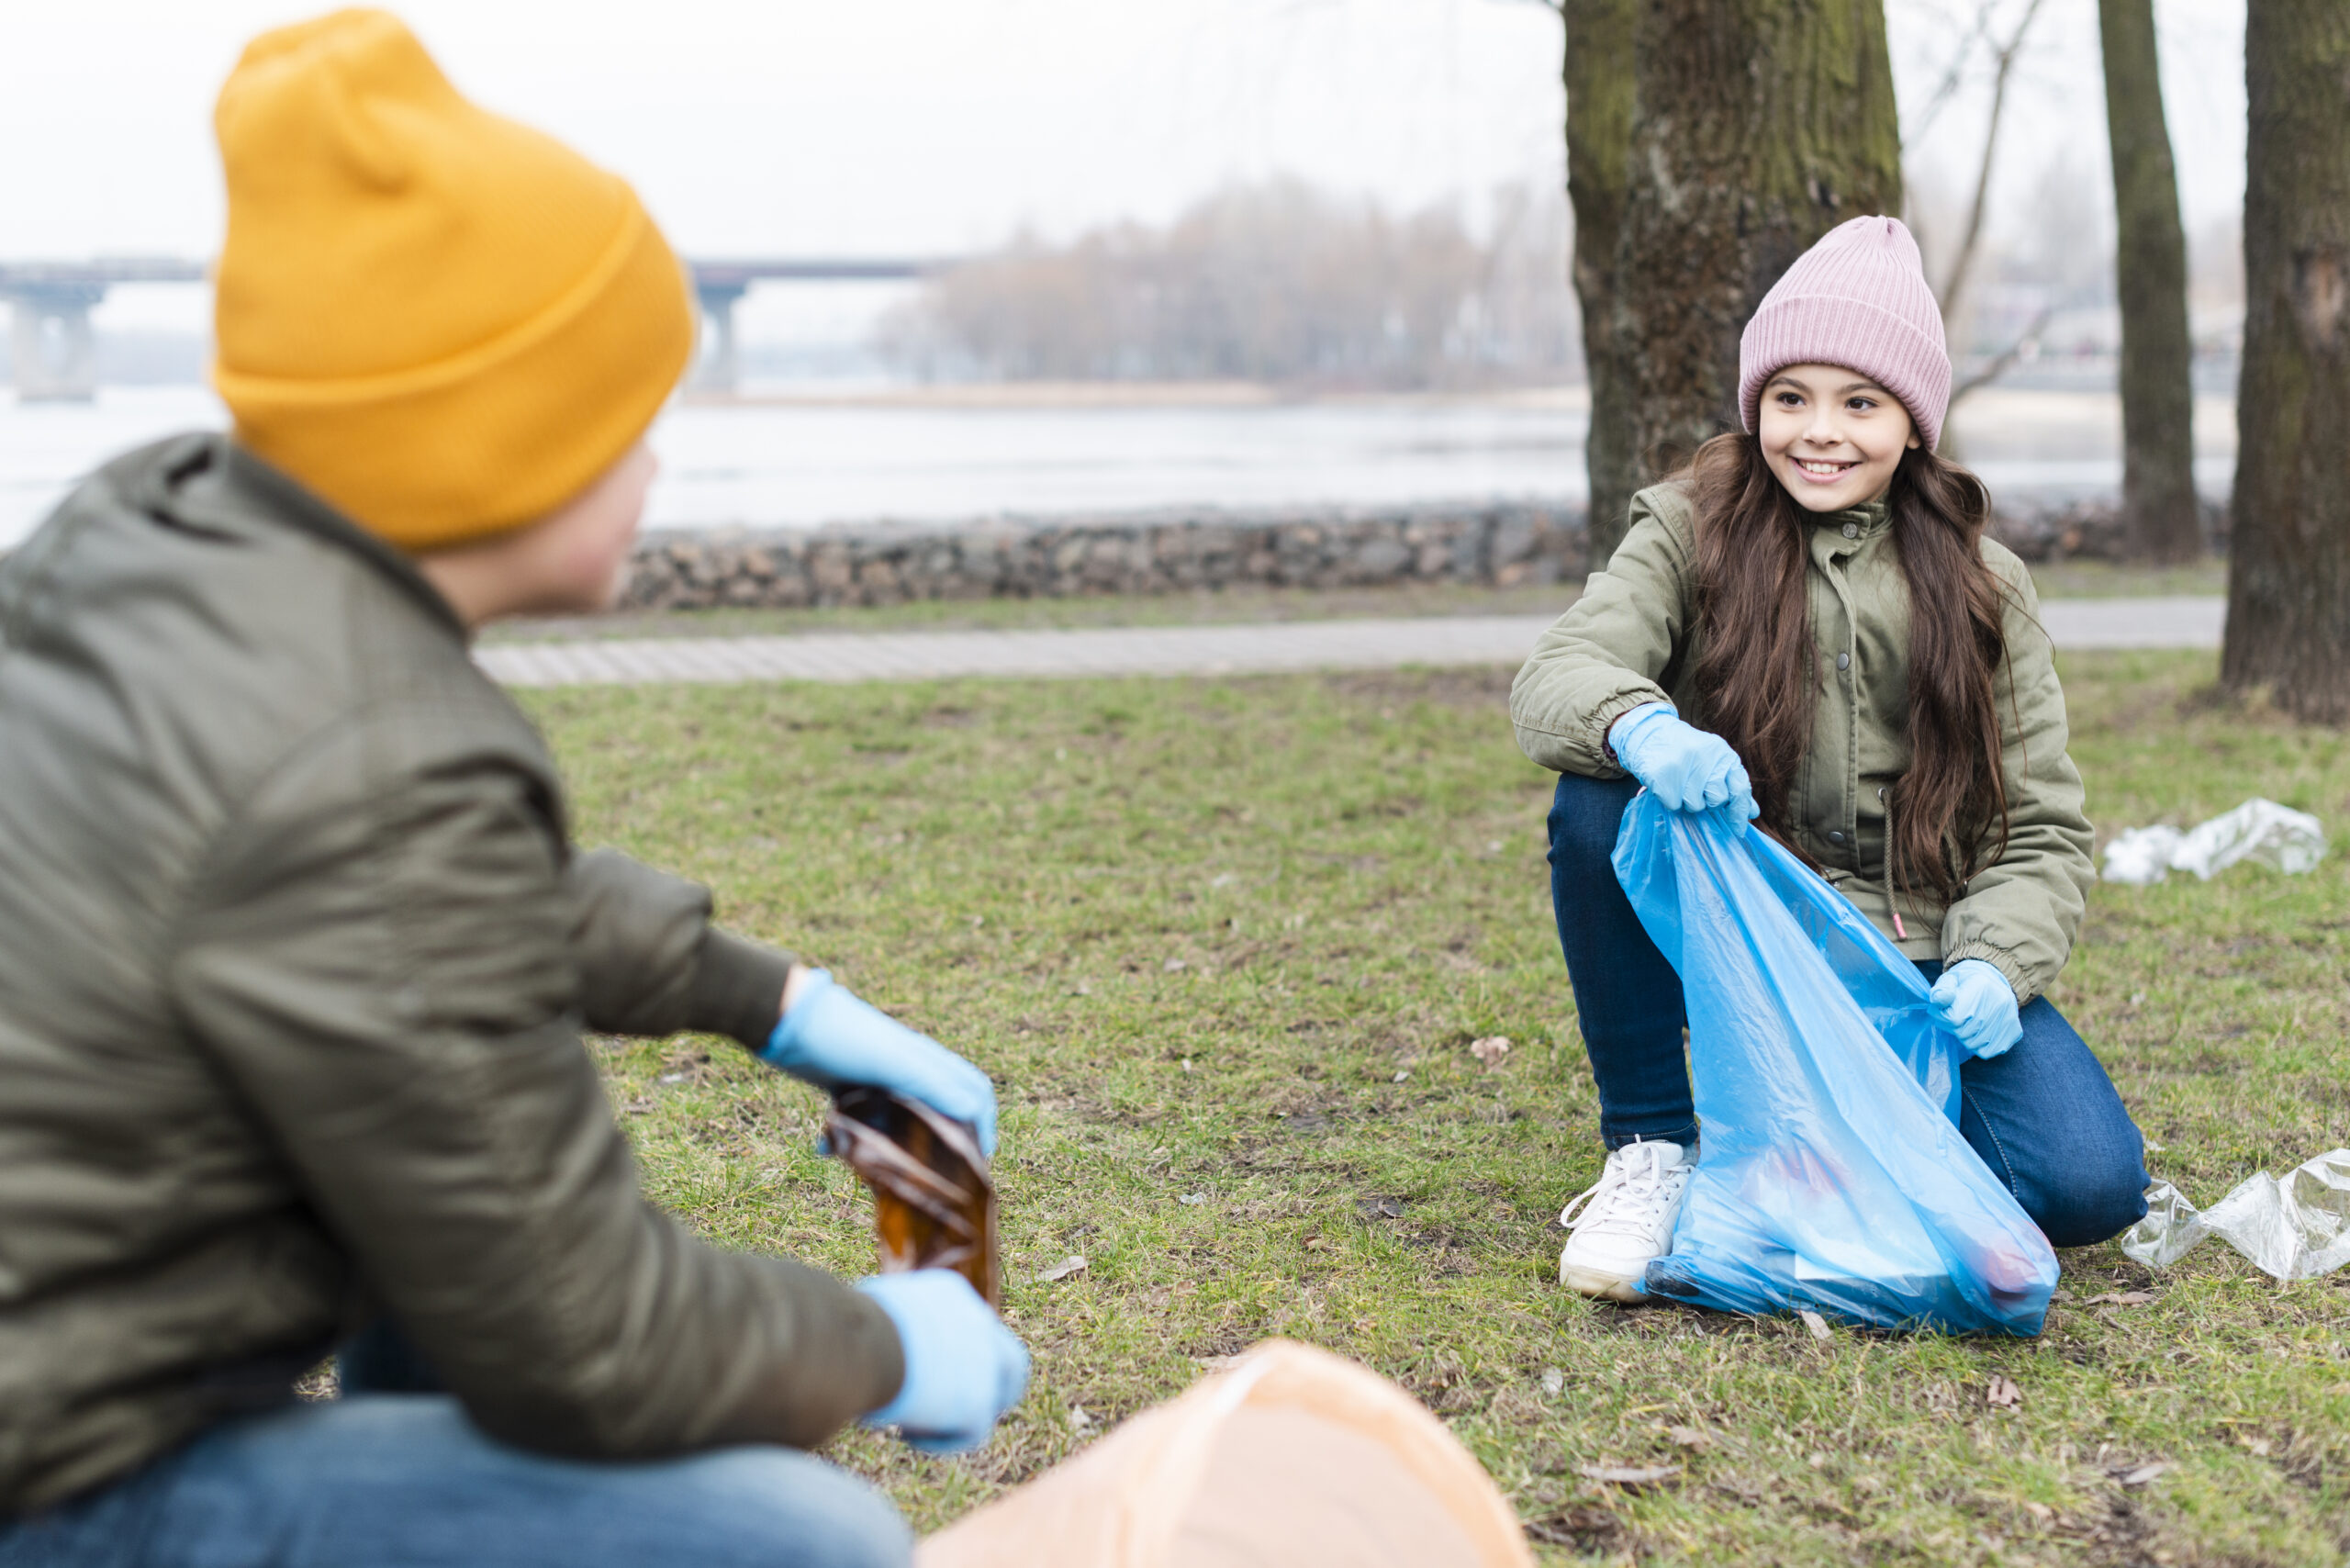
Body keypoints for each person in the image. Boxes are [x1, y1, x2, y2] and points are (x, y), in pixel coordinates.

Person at [0, 13, 1024, 1565]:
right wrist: (889, 1341)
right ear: (503, 445)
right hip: (57, 1476)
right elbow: (593, 1337)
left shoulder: (150, 535)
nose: (656, 470)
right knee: (794, 1537)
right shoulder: (380, 747)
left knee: (434, 1235)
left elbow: (402, 903)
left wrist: (770, 995)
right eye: (628, 420)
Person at [1510, 215, 2150, 1304]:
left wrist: (1993, 960)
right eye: (1790, 396)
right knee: (1593, 800)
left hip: (1919, 963)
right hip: (1747, 940)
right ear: (1754, 401)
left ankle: (1840, 1151)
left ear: (1914, 422)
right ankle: (1655, 1149)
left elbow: (2041, 827)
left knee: (2089, 1185)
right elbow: (1559, 672)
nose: (1820, 432)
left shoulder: (1985, 584)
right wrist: (1642, 723)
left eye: (1860, 401)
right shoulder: (1684, 528)